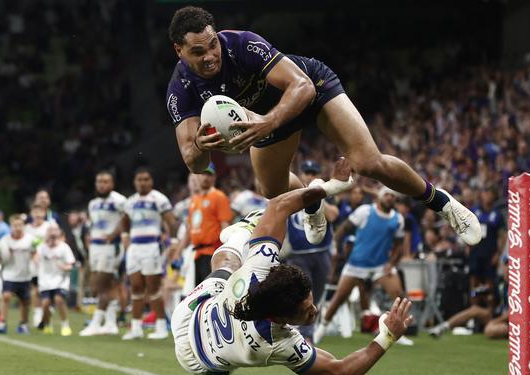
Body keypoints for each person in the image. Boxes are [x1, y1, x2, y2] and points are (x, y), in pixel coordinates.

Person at [166, 6, 481, 248]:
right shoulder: (180, 91)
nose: (210, 56)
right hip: (265, 119)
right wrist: (202, 147)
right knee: (271, 190)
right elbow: (193, 160)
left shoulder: (241, 44)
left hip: (312, 89)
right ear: (179, 50)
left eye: (212, 45)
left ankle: (442, 203)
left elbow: (301, 86)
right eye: (198, 52)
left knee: (368, 163)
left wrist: (268, 121)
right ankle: (312, 198)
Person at [171, 157, 413, 375]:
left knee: (227, 265)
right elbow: (340, 374)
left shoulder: (258, 269)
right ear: (283, 318)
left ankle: (244, 232)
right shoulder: (278, 342)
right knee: (230, 270)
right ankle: (246, 232)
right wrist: (387, 336)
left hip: (192, 314)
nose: (315, 309)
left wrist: (329, 188)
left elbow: (278, 205)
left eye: (310, 303)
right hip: (199, 359)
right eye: (307, 310)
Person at [313, 187, 406, 345]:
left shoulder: (398, 219)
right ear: (380, 197)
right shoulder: (365, 211)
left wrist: (391, 263)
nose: (390, 198)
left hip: (380, 265)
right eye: (387, 194)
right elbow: (344, 228)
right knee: (339, 298)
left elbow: (399, 245)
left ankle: (398, 333)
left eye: (393, 195)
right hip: (356, 264)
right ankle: (321, 329)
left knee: (398, 295)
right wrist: (334, 245)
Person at [110, 167, 176, 340]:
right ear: (134, 182)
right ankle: (136, 328)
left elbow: (171, 221)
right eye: (139, 179)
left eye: (146, 179)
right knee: (136, 287)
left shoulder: (159, 198)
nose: (142, 182)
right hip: (134, 248)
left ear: (151, 181)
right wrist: (124, 235)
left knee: (153, 288)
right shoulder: (130, 201)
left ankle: (161, 326)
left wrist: (174, 242)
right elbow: (124, 220)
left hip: (152, 246)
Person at [285, 159, 339, 340]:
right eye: (306, 172)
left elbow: (333, 215)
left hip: (321, 251)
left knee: (318, 292)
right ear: (301, 174)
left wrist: (317, 198)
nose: (309, 176)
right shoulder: (292, 193)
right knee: (303, 293)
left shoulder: (325, 194)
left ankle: (306, 328)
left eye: (313, 173)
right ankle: (304, 333)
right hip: (297, 254)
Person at [80, 171, 127, 336]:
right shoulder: (93, 203)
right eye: (99, 181)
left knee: (102, 284)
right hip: (95, 247)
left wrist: (115, 234)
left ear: (112, 184)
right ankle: (111, 322)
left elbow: (127, 219)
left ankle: (96, 322)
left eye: (106, 181)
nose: (102, 185)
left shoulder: (119, 200)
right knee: (103, 285)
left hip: (110, 247)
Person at [176, 163, 233, 285]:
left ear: (214, 178)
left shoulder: (219, 196)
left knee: (212, 291)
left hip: (212, 253)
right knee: (200, 294)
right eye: (203, 174)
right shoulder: (194, 200)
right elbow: (189, 230)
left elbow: (225, 225)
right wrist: (178, 251)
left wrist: (227, 250)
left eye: (209, 174)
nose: (206, 177)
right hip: (197, 254)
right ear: (197, 176)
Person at [0, 214, 35, 334]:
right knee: (6, 296)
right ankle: (2, 323)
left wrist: (35, 258)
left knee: (25, 301)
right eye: (15, 225)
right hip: (9, 275)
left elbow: (36, 252)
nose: (17, 228)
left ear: (24, 226)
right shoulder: (4, 241)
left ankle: (23, 324)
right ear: (11, 226)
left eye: (20, 225)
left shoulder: (30, 239)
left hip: (25, 275)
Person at [36, 225, 75, 336]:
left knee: (58, 300)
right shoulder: (41, 247)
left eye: (54, 232)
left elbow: (71, 265)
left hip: (60, 280)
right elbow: (35, 259)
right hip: (45, 281)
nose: (52, 235)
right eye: (50, 232)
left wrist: (64, 267)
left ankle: (65, 325)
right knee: (45, 303)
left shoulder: (64, 247)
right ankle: (48, 324)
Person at [25, 204, 51, 328]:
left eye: (40, 212)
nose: (38, 215)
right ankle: (37, 313)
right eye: (35, 212)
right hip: (33, 264)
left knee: (47, 289)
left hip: (48, 263)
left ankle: (46, 310)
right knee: (35, 289)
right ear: (31, 214)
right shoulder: (27, 228)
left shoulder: (49, 227)